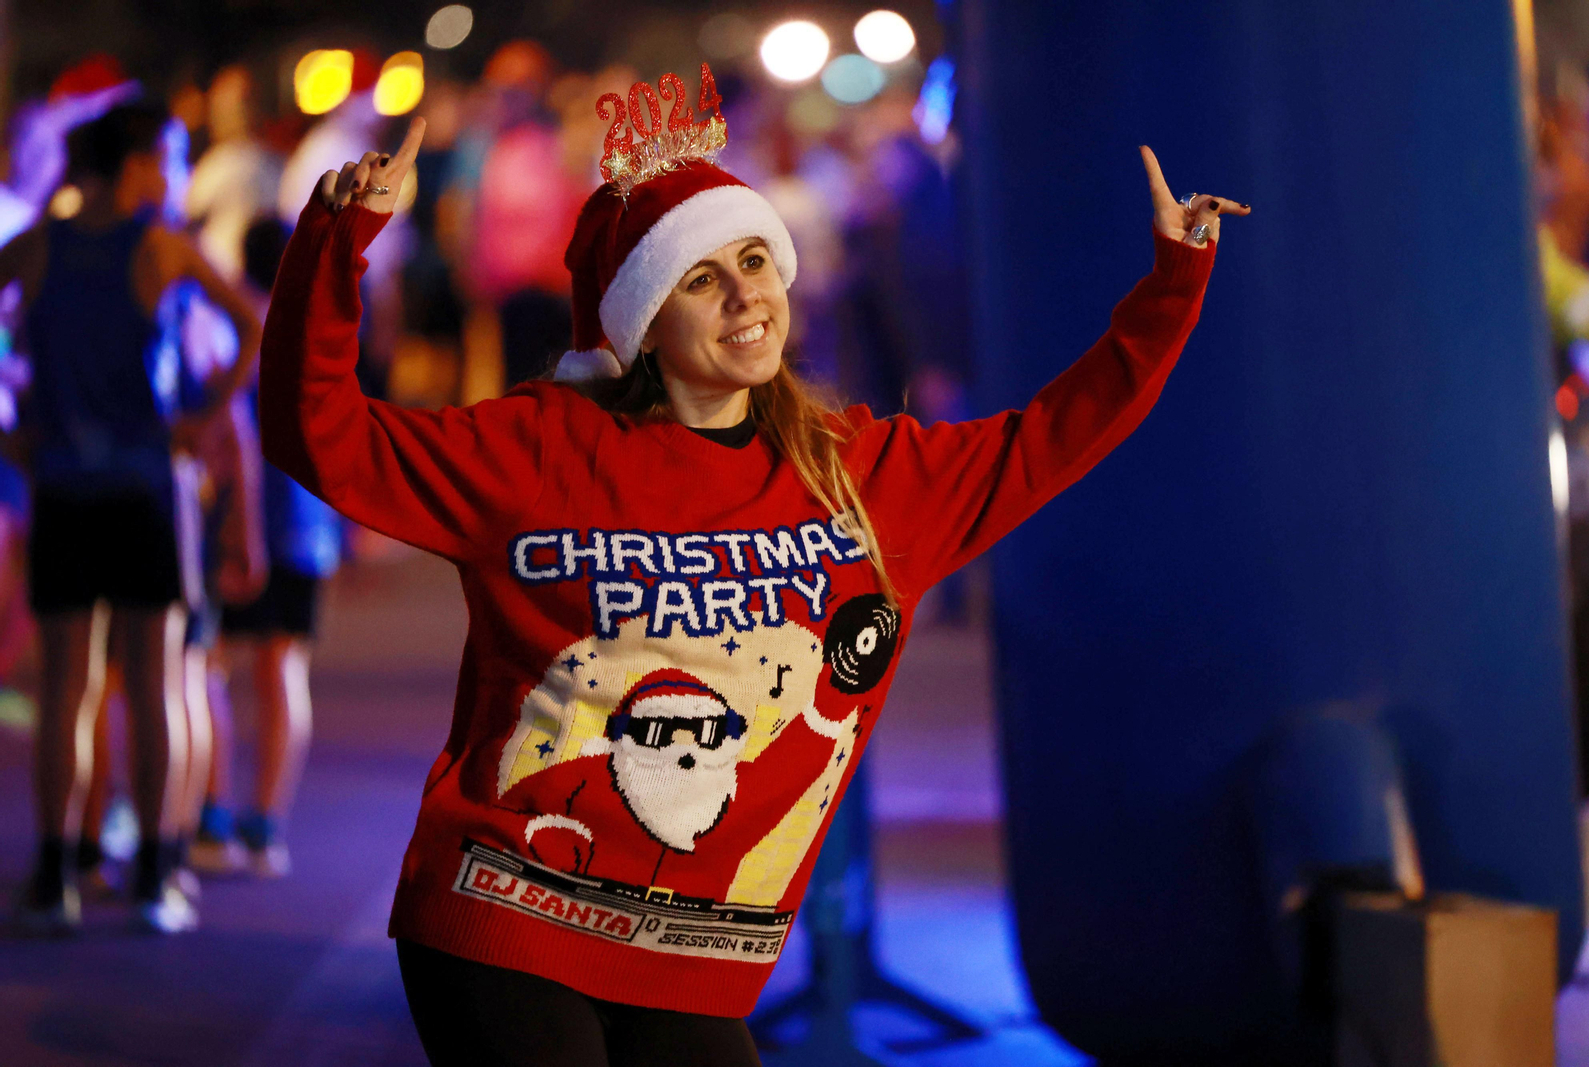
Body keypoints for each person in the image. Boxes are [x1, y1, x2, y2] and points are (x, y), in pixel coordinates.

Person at [261, 82, 1246, 1064]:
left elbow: (1052, 438)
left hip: (696, 953)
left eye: (753, 260)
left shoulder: (858, 474)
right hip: (508, 915)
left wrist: (1173, 281)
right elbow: (320, 435)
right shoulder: (540, 450)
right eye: (699, 278)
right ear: (641, 318)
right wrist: (337, 243)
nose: (746, 295)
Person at [1, 102, 261, 934]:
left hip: (64, 487)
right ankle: (154, 871)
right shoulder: (161, 248)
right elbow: (251, 323)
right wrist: (205, 419)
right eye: (168, 157)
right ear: (140, 163)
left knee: (64, 688)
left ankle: (55, 872)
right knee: (153, 685)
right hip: (146, 487)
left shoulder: (38, 247)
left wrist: (12, 434)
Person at [193, 216, 338, 878]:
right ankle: (265, 823)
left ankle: (214, 812)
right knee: (284, 669)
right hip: (306, 523)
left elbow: (232, 433)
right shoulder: (312, 331)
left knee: (213, 664)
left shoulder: (231, 326)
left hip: (237, 521)